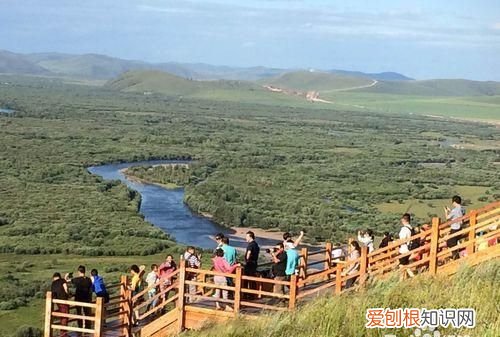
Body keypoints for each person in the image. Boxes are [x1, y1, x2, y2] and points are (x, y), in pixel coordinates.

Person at [68, 265, 93, 330]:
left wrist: (66, 276)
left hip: (78, 298)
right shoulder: (88, 279)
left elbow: (67, 281)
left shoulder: (77, 280)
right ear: (84, 271)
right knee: (87, 313)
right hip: (87, 298)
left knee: (79, 313)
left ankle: (80, 328)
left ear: (79, 271)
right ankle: (88, 328)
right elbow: (91, 287)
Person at [444, 195, 466, 260]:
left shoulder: (455, 210)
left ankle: (455, 256)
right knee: (454, 241)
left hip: (455, 228)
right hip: (460, 227)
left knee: (450, 242)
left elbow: (448, 218)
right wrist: (450, 210)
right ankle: (455, 255)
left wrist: (446, 212)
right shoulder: (462, 208)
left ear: (454, 202)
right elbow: (457, 215)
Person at [51, 272, 69, 337]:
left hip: (57, 302)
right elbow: (66, 288)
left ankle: (63, 333)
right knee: (65, 317)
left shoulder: (53, 283)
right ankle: (63, 334)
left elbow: (53, 293)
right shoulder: (62, 280)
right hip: (64, 301)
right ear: (59, 276)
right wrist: (68, 294)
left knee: (62, 316)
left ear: (54, 277)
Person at [244, 231, 260, 298]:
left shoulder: (250, 245)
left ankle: (245, 293)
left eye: (247, 237)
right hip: (254, 263)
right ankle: (252, 294)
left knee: (246, 279)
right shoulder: (256, 244)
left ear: (250, 236)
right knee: (252, 278)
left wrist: (247, 259)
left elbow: (249, 253)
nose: (245, 238)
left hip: (250, 264)